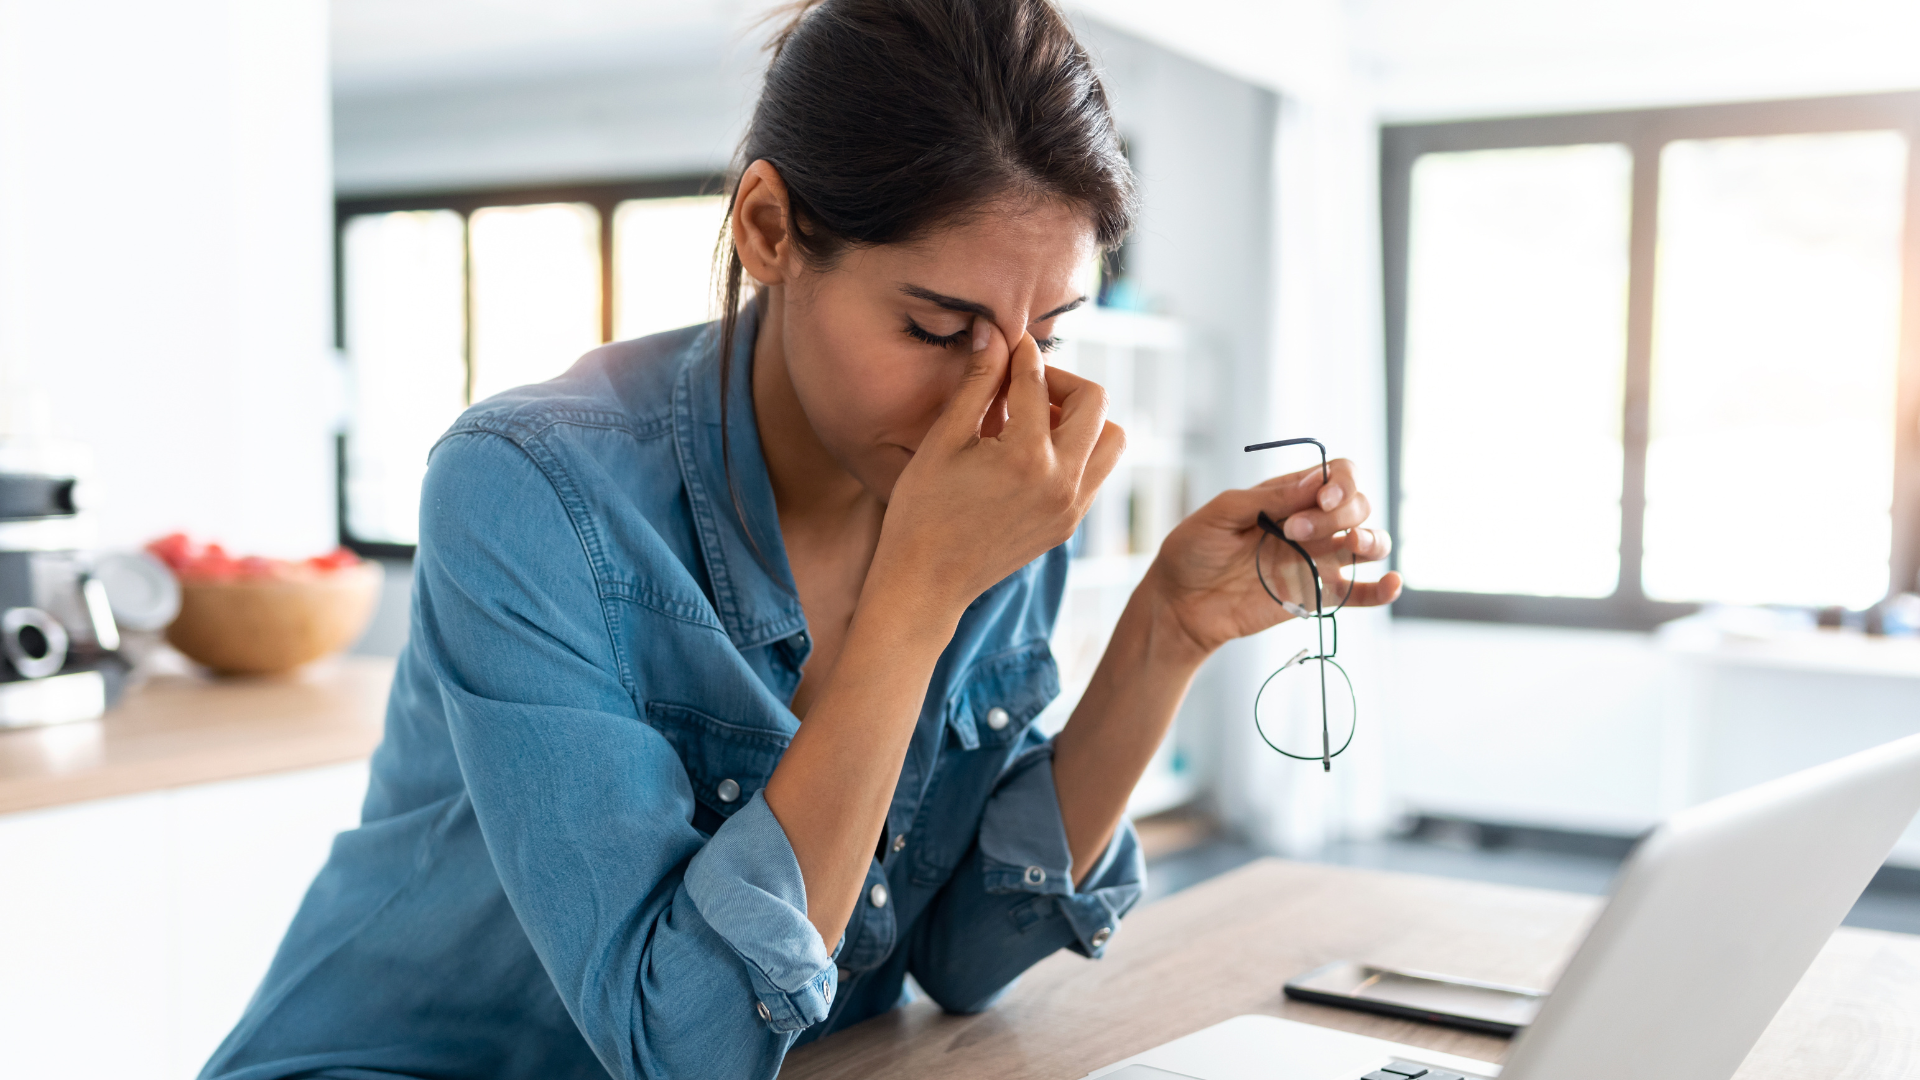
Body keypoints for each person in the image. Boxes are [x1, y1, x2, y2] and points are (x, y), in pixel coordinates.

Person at [201, 1, 1400, 1077]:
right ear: (770, 228)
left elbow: (964, 952)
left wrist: (1166, 633)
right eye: (939, 327)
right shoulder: (530, 489)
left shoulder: (993, 481)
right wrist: (917, 597)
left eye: (1053, 331)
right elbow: (688, 1046)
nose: (1002, 401)